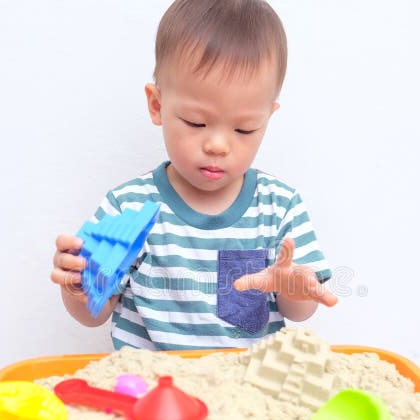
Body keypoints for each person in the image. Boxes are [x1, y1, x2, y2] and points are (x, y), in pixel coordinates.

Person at [51, 0, 337, 350]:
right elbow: (93, 314)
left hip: (246, 394)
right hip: (151, 392)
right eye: (196, 123)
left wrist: (293, 286)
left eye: (245, 129)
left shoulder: (279, 206)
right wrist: (79, 285)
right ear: (158, 105)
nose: (218, 145)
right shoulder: (128, 207)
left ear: (267, 118)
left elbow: (301, 311)